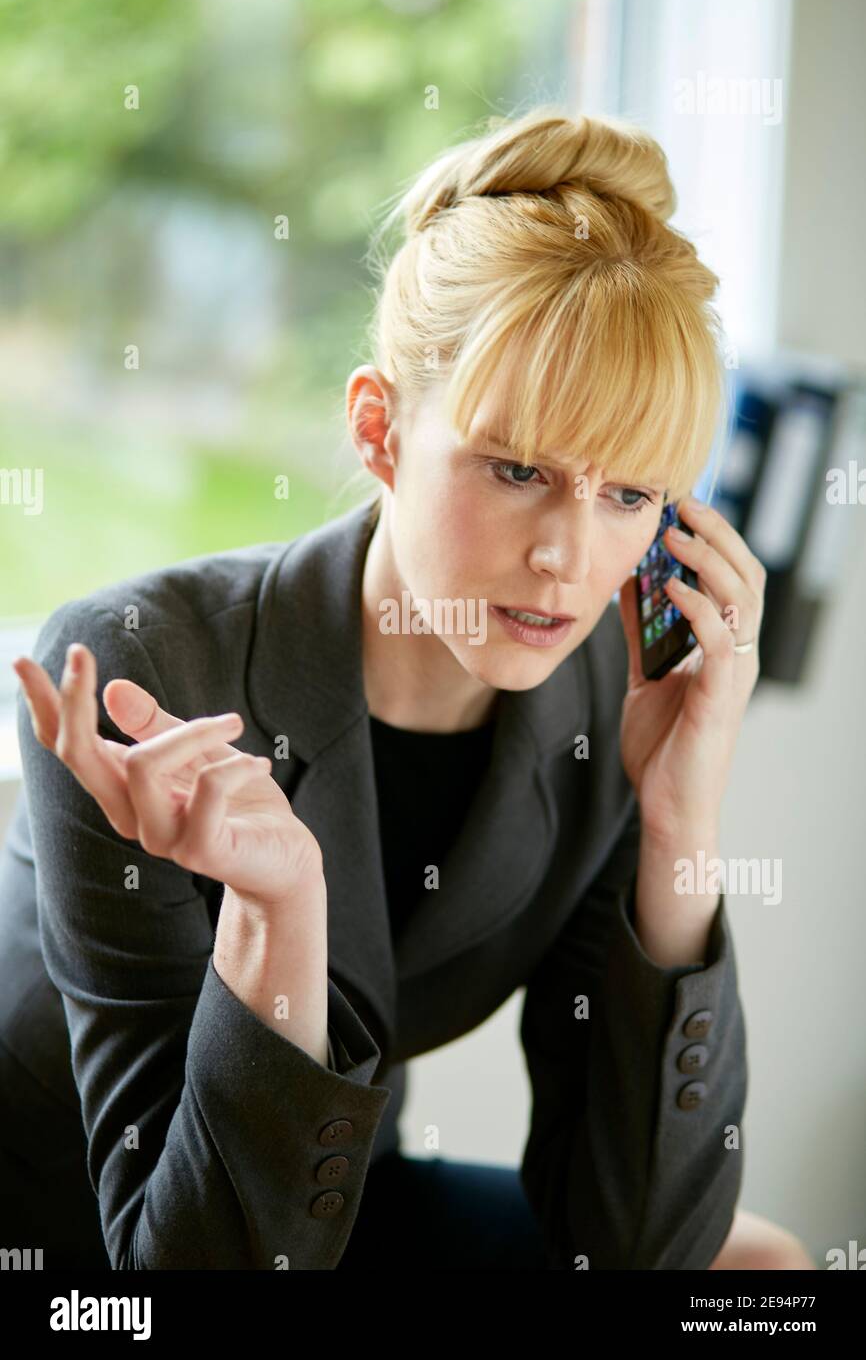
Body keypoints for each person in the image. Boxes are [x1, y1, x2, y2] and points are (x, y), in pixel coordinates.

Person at [1, 105, 814, 1270]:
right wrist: (277, 912)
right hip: (96, 1238)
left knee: (758, 1274)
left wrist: (676, 818)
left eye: (628, 495)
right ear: (378, 430)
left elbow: (642, 1244)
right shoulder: (146, 664)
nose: (567, 558)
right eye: (516, 469)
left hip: (326, 1204)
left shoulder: (605, 697)